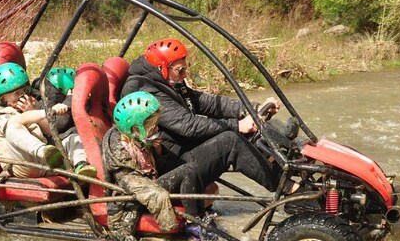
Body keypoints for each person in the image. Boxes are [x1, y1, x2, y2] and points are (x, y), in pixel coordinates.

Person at [120, 38, 283, 193]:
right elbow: (187, 125)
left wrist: (251, 108)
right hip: (172, 165)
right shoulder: (143, 90)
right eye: (180, 70)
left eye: (185, 68)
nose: (184, 75)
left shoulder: (168, 81)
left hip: (184, 149)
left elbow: (206, 103)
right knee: (231, 141)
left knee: (253, 132)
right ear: (161, 67)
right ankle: (290, 190)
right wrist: (237, 125)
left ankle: (291, 159)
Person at [101, 91, 212, 241]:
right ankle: (192, 224)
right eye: (152, 128)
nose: (156, 130)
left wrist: (158, 151)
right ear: (135, 129)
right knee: (189, 169)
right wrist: (169, 222)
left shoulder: (139, 140)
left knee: (191, 168)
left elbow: (157, 169)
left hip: (148, 184)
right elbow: (138, 186)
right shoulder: (120, 154)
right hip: (135, 199)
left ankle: (198, 218)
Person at [0, 62, 96, 179]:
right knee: (13, 128)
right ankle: (46, 153)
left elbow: (52, 133)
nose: (23, 96)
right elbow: (19, 120)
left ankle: (81, 165)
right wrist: (43, 112)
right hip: (22, 166)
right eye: (17, 93)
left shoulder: (32, 105)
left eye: (25, 90)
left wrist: (35, 110)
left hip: (46, 163)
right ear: (3, 98)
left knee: (73, 137)